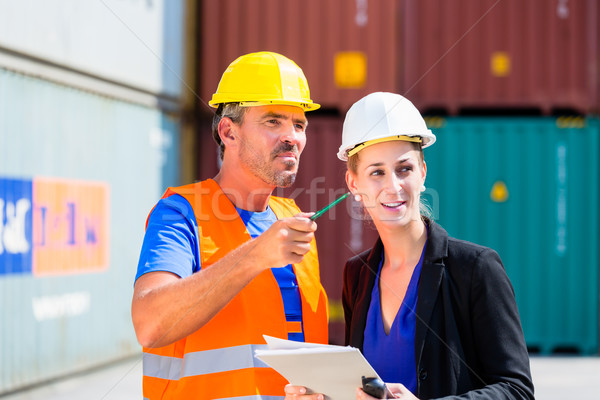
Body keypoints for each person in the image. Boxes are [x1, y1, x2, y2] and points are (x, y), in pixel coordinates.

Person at [284, 92, 534, 400]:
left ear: (423, 173)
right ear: (353, 184)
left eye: (404, 169)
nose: (393, 186)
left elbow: (517, 391)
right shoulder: (357, 275)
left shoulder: (475, 268)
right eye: (377, 172)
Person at [132, 51, 329, 400]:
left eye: (299, 125)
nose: (292, 137)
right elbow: (150, 324)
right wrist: (254, 255)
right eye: (273, 121)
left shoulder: (293, 221)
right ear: (228, 131)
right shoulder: (180, 214)